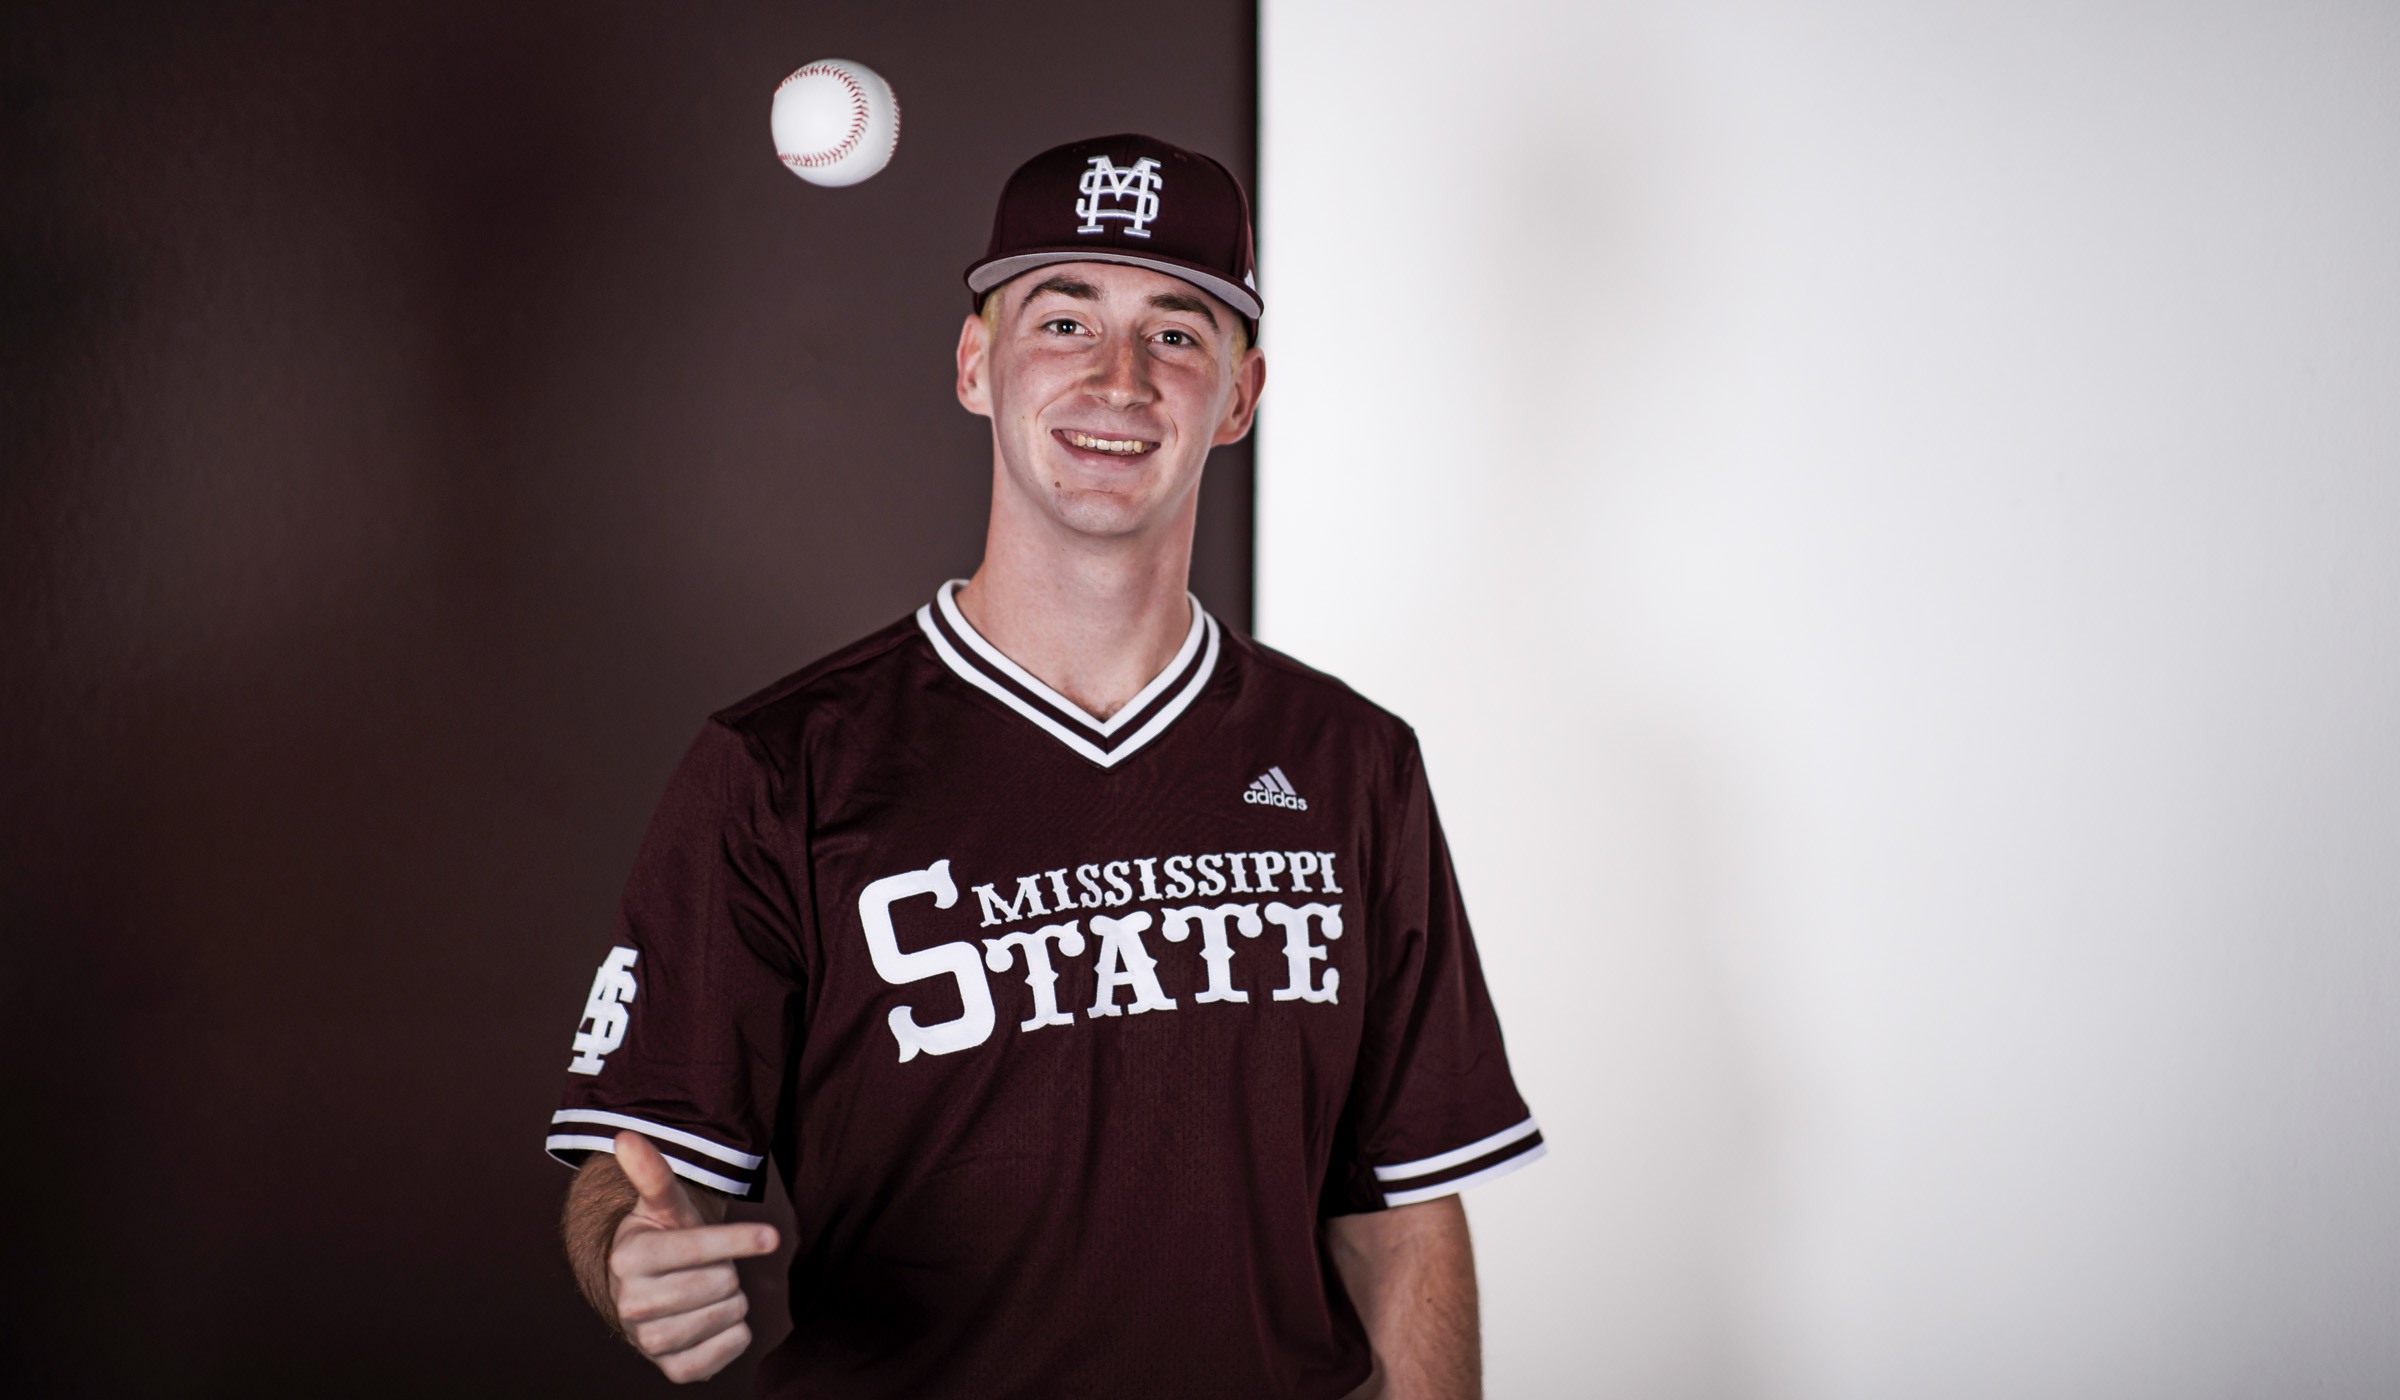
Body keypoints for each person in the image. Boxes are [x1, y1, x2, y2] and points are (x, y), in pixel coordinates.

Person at [546, 133, 1544, 1398]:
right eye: (1063, 319)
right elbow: (633, 1166)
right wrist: (635, 1251)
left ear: (1239, 397)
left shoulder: (1352, 762)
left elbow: (1401, 1213)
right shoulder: (782, 765)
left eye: (1176, 336)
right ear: (977, 364)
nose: (1119, 378)